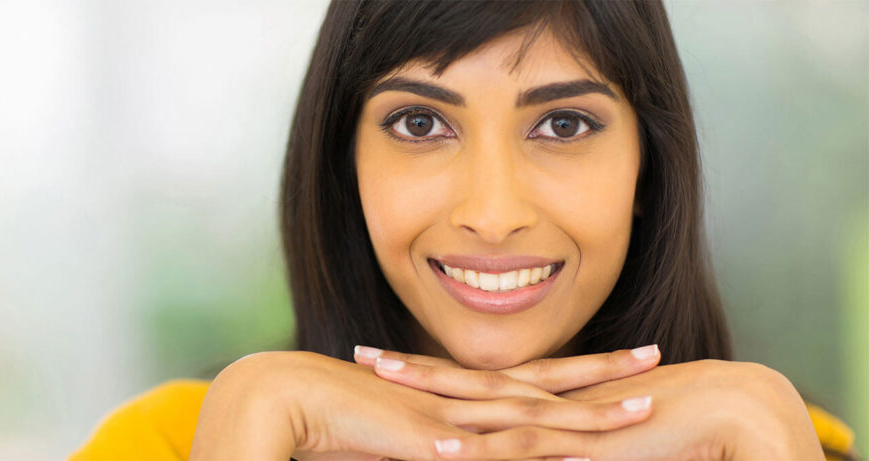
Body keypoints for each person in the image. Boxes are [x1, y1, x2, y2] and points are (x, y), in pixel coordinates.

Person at [71, 1, 857, 460]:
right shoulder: (180, 441)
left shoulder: (771, 437)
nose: (491, 211)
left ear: (648, 171)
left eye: (561, 123)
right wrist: (253, 419)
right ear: (345, 163)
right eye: (420, 122)